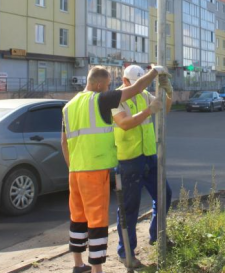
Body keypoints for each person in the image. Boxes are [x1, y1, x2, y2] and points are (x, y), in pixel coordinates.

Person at [61, 64, 167, 273]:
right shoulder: (101, 99)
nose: (110, 87)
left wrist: (73, 167)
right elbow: (136, 88)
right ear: (99, 84)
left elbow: (64, 143)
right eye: (108, 84)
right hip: (96, 169)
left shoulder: (68, 106)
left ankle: (78, 264)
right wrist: (155, 72)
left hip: (75, 171)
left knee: (78, 217)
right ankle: (97, 269)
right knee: (97, 220)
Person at [111, 65, 173, 267]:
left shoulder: (144, 94)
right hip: (128, 160)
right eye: (136, 83)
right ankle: (126, 252)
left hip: (148, 157)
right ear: (126, 81)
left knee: (165, 195)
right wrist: (148, 111)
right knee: (130, 207)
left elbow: (164, 110)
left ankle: (157, 236)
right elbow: (125, 124)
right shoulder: (115, 99)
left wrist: (167, 94)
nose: (140, 88)